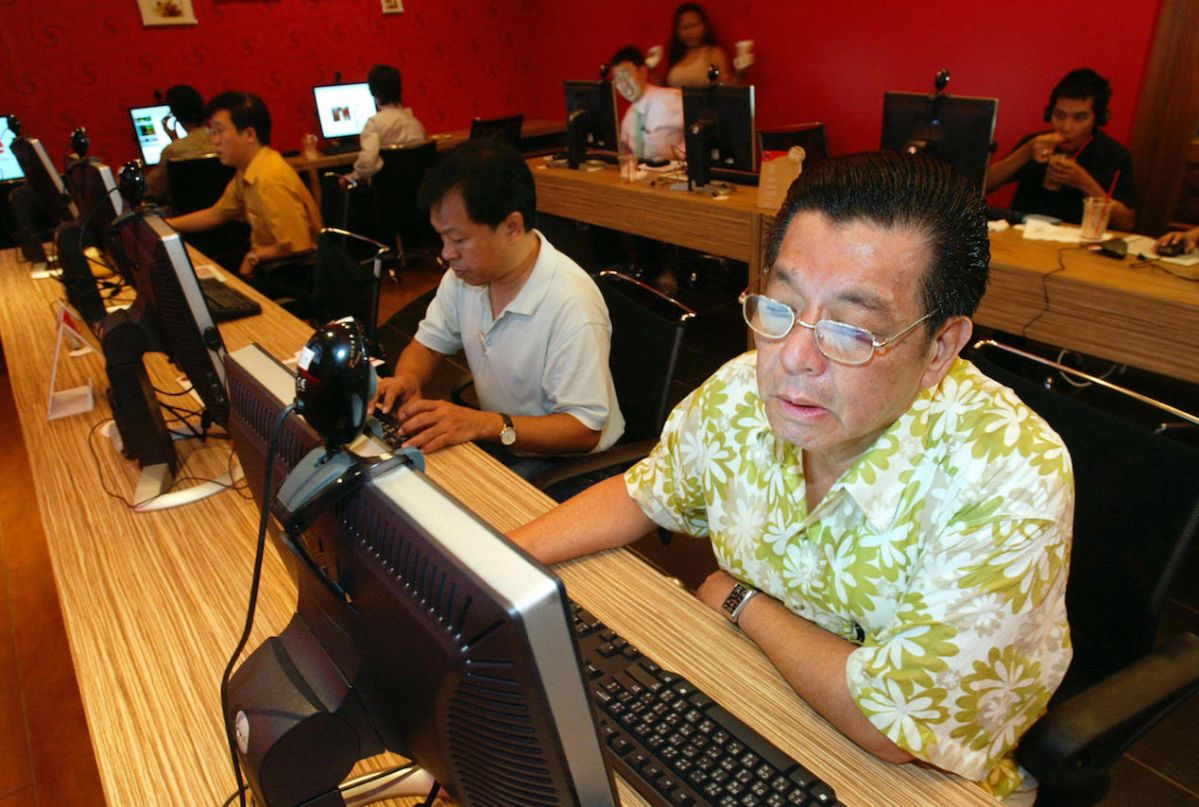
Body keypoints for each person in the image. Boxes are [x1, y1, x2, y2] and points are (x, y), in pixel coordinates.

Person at [511, 151, 1073, 803]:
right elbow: (644, 491)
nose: (794, 359)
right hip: (756, 699)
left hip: (921, 778)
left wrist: (738, 600)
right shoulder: (740, 393)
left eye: (850, 329)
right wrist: (491, 560)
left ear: (940, 348)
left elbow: (891, 725)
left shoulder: (1008, 473)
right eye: (780, 307)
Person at [372, 139, 624, 477]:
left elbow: (583, 430)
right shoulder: (467, 278)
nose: (446, 253)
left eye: (459, 240)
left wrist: (483, 424)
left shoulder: (571, 303)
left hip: (573, 465)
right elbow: (428, 345)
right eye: (442, 239)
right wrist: (407, 378)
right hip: (505, 441)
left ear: (512, 228)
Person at [166, 91, 322, 284]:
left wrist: (254, 256)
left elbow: (299, 245)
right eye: (212, 132)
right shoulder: (248, 170)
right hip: (274, 268)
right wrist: (167, 224)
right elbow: (216, 214)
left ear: (249, 134)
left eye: (219, 131)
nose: (214, 141)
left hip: (293, 277)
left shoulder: (269, 178)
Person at [986, 68, 1134, 230]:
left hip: (1080, 243)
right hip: (1024, 236)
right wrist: (1025, 153)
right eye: (1060, 115)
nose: (1066, 127)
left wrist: (1085, 183)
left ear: (1098, 119)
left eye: (1080, 118)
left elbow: (1126, 223)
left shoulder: (1114, 155)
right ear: (1049, 114)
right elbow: (982, 186)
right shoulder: (1035, 144)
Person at [338, 64, 426, 188]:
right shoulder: (416, 124)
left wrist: (353, 176)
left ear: (373, 92)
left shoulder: (374, 124)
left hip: (386, 196)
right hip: (415, 195)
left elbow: (368, 163)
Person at [611, 45, 684, 163]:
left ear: (643, 71)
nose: (623, 84)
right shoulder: (630, 115)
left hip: (673, 174)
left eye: (626, 75)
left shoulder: (670, 99)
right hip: (642, 177)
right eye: (618, 79)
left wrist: (680, 154)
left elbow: (701, 133)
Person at [146, 84, 216, 203]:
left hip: (184, 215)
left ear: (175, 116)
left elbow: (154, 190)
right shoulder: (222, 143)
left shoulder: (173, 151)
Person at [664, 3, 735, 88]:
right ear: (677, 31)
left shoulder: (712, 54)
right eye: (685, 27)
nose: (690, 32)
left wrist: (740, 73)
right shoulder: (676, 55)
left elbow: (724, 86)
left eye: (694, 26)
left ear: (704, 27)